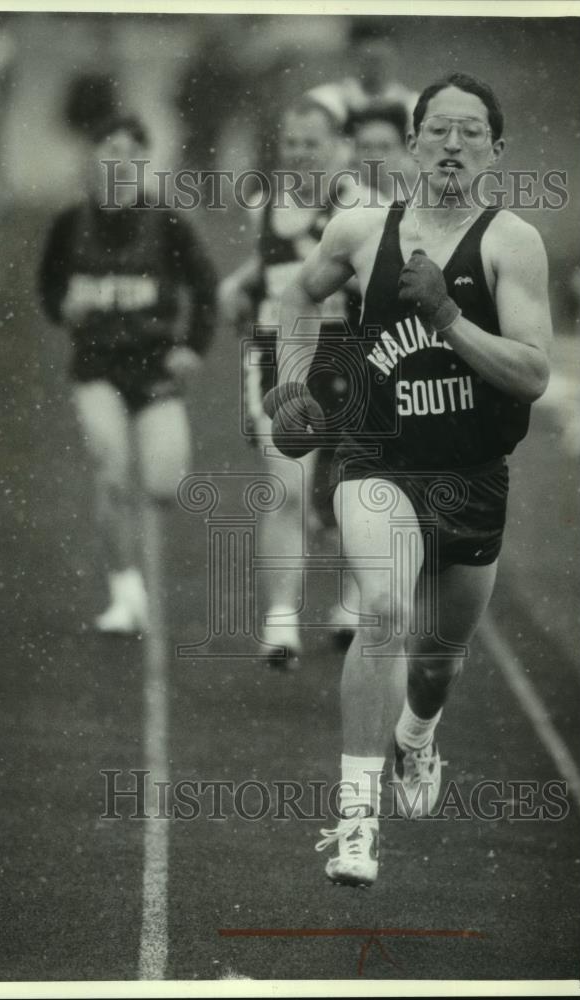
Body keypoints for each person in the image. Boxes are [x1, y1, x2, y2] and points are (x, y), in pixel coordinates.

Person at [270, 73, 552, 885]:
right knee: (384, 610)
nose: (453, 145)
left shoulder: (512, 243)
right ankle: (355, 823)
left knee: (437, 663)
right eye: (438, 131)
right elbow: (297, 295)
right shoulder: (361, 230)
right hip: (377, 460)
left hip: (472, 474)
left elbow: (532, 374)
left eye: (471, 132)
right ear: (412, 142)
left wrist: (449, 318)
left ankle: (419, 737)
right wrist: (289, 384)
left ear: (495, 152)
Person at [39, 113, 218, 634]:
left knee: (163, 483)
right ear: (93, 159)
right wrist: (62, 308)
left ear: (144, 161)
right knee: (111, 469)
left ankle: (133, 558)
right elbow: (49, 287)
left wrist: (193, 347)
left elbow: (205, 288)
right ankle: (124, 590)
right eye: (108, 149)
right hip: (96, 364)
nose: (118, 160)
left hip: (155, 363)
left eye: (130, 151)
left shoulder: (166, 224)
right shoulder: (70, 224)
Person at [218, 98, 358, 666]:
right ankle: (281, 619)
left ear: (337, 145)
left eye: (312, 142)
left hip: (348, 359)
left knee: (350, 492)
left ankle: (351, 604)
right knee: (288, 488)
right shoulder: (265, 204)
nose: (300, 152)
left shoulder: (362, 206)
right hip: (279, 357)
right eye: (292, 142)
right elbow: (271, 262)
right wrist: (236, 285)